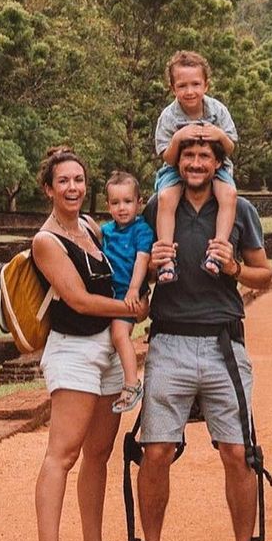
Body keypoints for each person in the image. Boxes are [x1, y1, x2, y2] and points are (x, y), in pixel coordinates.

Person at [120, 135, 272, 541]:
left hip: (223, 343)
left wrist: (234, 270)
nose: (196, 162)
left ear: (217, 163)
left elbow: (265, 274)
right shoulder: (157, 207)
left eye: (205, 155)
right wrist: (149, 270)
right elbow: (137, 270)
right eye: (188, 155)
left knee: (237, 451)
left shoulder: (239, 210)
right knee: (156, 449)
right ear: (177, 160)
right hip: (169, 341)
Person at [31, 146, 149, 541]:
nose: (73, 187)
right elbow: (78, 299)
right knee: (62, 454)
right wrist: (129, 308)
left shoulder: (88, 227)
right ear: (48, 188)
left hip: (103, 347)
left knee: (98, 452)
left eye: (78, 179)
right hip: (73, 351)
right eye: (64, 181)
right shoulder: (47, 240)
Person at [153, 50, 239, 282]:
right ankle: (166, 257)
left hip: (216, 166)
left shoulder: (218, 111)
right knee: (165, 198)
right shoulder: (168, 117)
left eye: (195, 84)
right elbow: (167, 158)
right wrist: (178, 138)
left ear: (206, 85)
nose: (189, 91)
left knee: (229, 195)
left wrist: (219, 135)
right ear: (173, 88)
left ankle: (218, 252)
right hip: (176, 168)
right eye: (182, 86)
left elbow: (230, 147)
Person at [99, 169, 154, 414]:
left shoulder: (141, 230)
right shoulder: (106, 231)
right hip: (108, 293)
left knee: (120, 335)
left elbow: (142, 259)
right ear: (108, 205)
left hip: (127, 294)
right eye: (116, 203)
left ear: (139, 203)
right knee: (111, 337)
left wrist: (134, 290)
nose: (122, 208)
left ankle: (132, 383)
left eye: (128, 202)